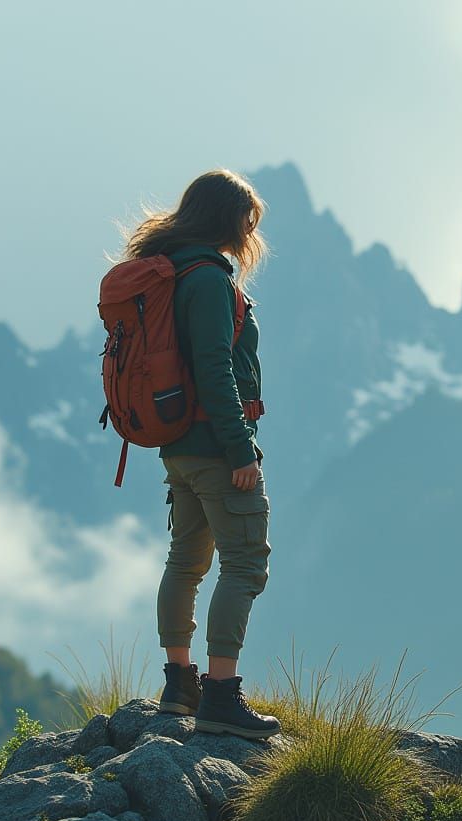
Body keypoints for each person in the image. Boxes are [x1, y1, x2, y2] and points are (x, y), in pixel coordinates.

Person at [121, 169, 280, 740]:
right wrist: (242, 450)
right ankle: (221, 694)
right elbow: (214, 368)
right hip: (217, 448)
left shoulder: (172, 270)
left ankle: (178, 685)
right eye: (246, 219)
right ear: (225, 218)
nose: (249, 230)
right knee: (243, 565)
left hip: (178, 449)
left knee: (185, 563)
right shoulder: (209, 280)